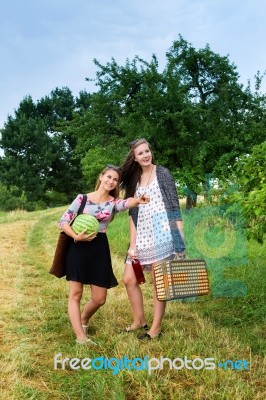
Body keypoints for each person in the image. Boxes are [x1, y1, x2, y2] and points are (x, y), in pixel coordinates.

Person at [58, 165, 149, 345]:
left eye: (115, 179)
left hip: (99, 248)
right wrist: (76, 236)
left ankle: (83, 319)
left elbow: (126, 203)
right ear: (101, 177)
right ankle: (81, 337)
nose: (111, 181)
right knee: (76, 293)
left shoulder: (113, 202)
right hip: (78, 247)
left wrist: (138, 200)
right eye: (108, 177)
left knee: (99, 298)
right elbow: (62, 221)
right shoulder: (82, 199)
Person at [120, 138, 186, 340]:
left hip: (163, 233)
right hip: (142, 236)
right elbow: (133, 214)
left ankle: (155, 328)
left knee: (159, 282)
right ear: (135, 157)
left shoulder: (163, 174)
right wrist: (132, 245)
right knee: (129, 278)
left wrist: (180, 241)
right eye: (140, 153)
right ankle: (139, 320)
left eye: (147, 151)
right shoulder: (134, 180)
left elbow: (174, 208)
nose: (146, 155)